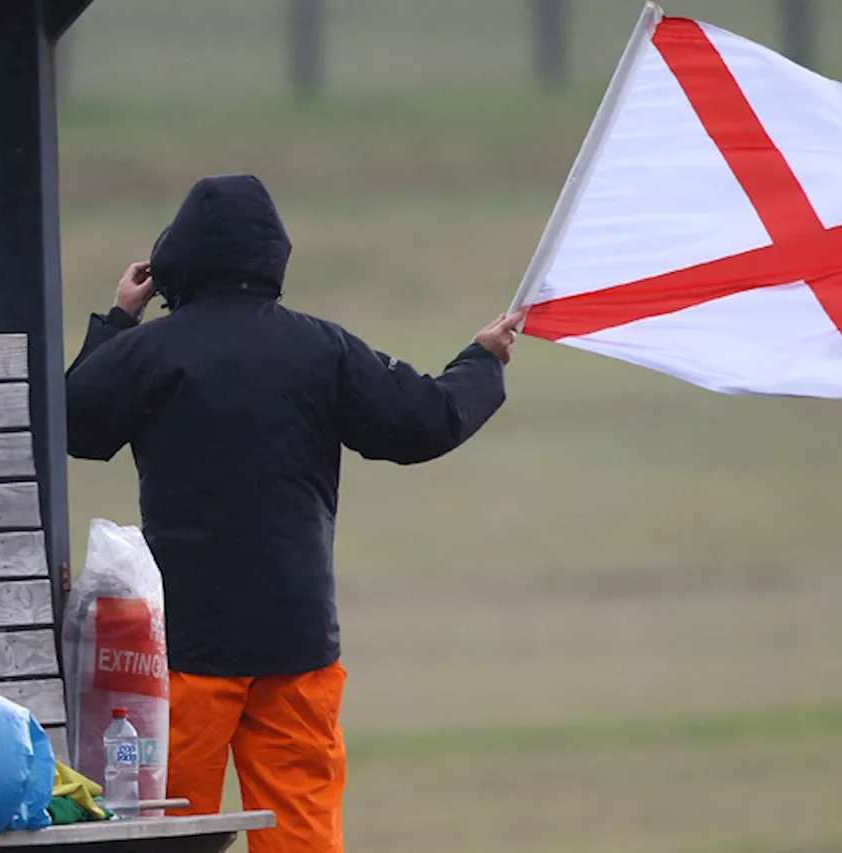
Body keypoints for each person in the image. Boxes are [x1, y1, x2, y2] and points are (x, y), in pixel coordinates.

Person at [66, 174, 522, 853]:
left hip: (186, 651)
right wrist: (480, 363)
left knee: (158, 835)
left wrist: (119, 319)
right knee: (301, 836)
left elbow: (77, 424)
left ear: (175, 261)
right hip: (298, 643)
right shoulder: (321, 348)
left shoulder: (149, 351)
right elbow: (425, 421)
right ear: (272, 257)